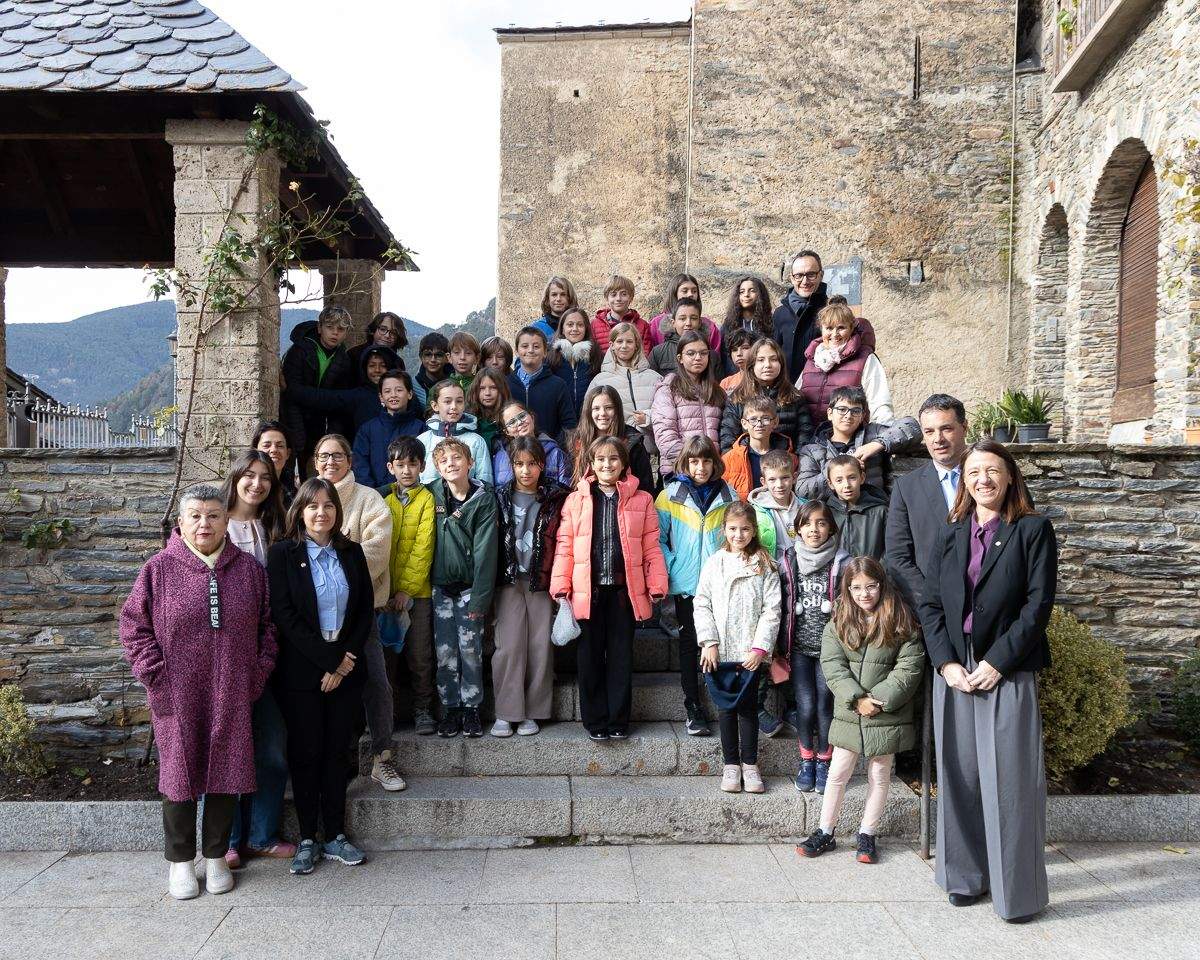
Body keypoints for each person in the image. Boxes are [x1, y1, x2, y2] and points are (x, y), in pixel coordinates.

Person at [917, 439, 1057, 923]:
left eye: (993, 470)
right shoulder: (951, 533)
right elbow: (931, 605)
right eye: (974, 471)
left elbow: (1037, 606)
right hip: (955, 669)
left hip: (1007, 668)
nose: (983, 479)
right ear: (965, 479)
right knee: (960, 777)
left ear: (1010, 477)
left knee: (1011, 783)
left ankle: (1015, 894)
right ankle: (964, 877)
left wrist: (997, 661)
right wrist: (945, 664)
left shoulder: (1033, 531)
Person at [119, 484, 276, 900]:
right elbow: (134, 627)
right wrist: (156, 675)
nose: (204, 523)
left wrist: (255, 676)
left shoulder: (249, 570)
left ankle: (215, 857)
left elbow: (267, 630)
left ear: (227, 520)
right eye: (196, 516)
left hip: (232, 690)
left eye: (213, 515)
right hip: (177, 694)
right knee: (179, 777)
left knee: (226, 773)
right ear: (181, 522)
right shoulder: (158, 569)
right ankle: (180, 862)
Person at [267, 478, 372, 876]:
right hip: (302, 671)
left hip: (345, 668)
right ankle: (308, 836)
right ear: (300, 511)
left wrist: (343, 664)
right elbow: (285, 617)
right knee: (306, 752)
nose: (321, 513)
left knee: (337, 752)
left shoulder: (353, 552)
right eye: (312, 506)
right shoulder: (282, 554)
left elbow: (364, 612)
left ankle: (337, 835)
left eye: (328, 506)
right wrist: (328, 662)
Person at [798, 557, 924, 864]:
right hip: (850, 711)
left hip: (886, 712)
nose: (864, 594)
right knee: (838, 773)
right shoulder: (838, 623)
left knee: (879, 774)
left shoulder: (900, 621)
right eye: (856, 588)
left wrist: (878, 700)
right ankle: (825, 831)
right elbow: (833, 666)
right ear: (848, 589)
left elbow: (909, 666)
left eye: (870, 586)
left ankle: (867, 834)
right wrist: (857, 699)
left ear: (881, 585)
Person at [552, 436, 667, 740]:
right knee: (588, 658)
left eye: (613, 459)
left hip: (622, 594)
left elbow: (651, 547)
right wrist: (561, 586)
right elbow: (565, 547)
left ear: (623, 463)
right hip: (587, 592)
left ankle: (618, 720)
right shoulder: (576, 500)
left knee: (620, 657)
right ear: (591, 463)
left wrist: (656, 583)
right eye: (600, 459)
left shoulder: (641, 499)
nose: (607, 464)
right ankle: (595, 720)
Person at [311, 434, 404, 793]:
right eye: (323, 456)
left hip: (361, 613)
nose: (330, 462)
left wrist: (326, 567)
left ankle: (383, 757)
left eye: (337, 455)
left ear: (350, 460)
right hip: (315, 617)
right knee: (321, 690)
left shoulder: (369, 499)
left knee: (377, 684)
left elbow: (377, 554)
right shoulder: (308, 496)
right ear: (315, 462)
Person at [219, 452, 293, 868]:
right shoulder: (215, 522)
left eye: (265, 477)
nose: (257, 484)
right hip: (225, 654)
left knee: (271, 747)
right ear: (236, 478)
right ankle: (228, 839)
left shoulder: (274, 525)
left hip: (268, 648)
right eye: (249, 475)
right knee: (228, 748)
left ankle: (262, 835)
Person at [694, 500, 781, 794]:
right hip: (720, 651)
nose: (738, 535)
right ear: (724, 529)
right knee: (726, 709)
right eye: (733, 529)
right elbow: (702, 602)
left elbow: (772, 609)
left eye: (745, 529)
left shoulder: (763, 564)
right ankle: (730, 763)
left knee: (748, 709)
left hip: (748, 653)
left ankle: (750, 763)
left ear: (754, 530)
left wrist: (760, 648)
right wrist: (709, 642)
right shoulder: (714, 562)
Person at [656, 436, 737, 738]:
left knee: (718, 641)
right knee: (690, 642)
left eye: (705, 460)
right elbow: (658, 538)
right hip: (688, 584)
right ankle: (693, 704)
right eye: (694, 461)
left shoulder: (729, 494)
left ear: (715, 462)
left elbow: (738, 535)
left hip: (720, 582)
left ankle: (721, 698)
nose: (700, 467)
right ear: (685, 463)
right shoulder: (670, 495)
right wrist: (672, 565)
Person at [493, 436, 570, 737]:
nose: (525, 471)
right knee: (509, 645)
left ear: (542, 465)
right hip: (509, 579)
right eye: (519, 464)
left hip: (541, 578)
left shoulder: (555, 497)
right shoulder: (498, 496)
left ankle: (534, 711)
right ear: (511, 465)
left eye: (532, 464)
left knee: (539, 645)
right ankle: (507, 710)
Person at [429, 437, 499, 739]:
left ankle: (471, 709)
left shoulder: (483, 499)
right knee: (444, 651)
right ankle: (451, 708)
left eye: (457, 458)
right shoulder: (431, 494)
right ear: (436, 467)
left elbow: (486, 552)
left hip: (470, 588)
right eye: (444, 461)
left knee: (470, 651)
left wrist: (480, 600)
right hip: (440, 588)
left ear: (470, 462)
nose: (451, 464)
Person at [778, 500, 849, 794]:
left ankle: (824, 760)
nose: (814, 529)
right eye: (807, 524)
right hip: (799, 648)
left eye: (821, 523)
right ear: (797, 530)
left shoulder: (842, 562)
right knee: (805, 706)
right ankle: (806, 760)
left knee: (824, 706)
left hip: (830, 652)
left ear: (831, 527)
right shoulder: (789, 560)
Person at [884, 394, 969, 608]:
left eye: (946, 429)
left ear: (964, 428)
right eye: (929, 432)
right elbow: (898, 557)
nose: (937, 439)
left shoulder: (989, 480)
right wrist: (931, 604)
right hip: (933, 612)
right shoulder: (907, 488)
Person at [381, 436, 438, 736]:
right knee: (387, 655)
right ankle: (385, 712)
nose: (406, 471)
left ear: (422, 467)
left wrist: (406, 589)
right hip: (386, 595)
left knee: (419, 655)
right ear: (390, 467)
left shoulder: (428, 499)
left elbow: (423, 547)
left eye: (412, 464)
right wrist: (387, 590)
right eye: (400, 465)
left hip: (418, 593)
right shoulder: (383, 501)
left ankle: (423, 708)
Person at [795, 386, 920, 500]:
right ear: (830, 413)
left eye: (855, 411)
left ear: (862, 416)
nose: (848, 416)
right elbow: (803, 490)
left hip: (874, 512)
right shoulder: (812, 450)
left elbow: (912, 427)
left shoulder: (873, 433)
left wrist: (877, 444)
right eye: (842, 409)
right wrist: (837, 467)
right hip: (832, 516)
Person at [280, 305, 355, 476]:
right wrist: (324, 400)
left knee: (313, 469)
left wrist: (331, 435)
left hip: (319, 422)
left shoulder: (343, 360)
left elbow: (339, 401)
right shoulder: (299, 350)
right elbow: (291, 391)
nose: (335, 333)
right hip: (291, 414)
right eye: (330, 327)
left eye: (341, 329)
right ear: (320, 328)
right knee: (289, 462)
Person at [282, 342, 404, 444]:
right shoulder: (358, 396)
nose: (377, 370)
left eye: (383, 365)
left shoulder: (405, 395)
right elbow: (323, 398)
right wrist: (291, 390)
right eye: (372, 365)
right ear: (364, 369)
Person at [797, 296, 891, 428]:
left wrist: (881, 439)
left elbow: (880, 403)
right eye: (829, 328)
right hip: (811, 439)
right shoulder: (812, 359)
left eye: (841, 328)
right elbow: (796, 400)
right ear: (821, 329)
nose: (835, 334)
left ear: (851, 328)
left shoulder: (865, 358)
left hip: (851, 441)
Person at [650, 330, 725, 476]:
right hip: (679, 471)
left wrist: (712, 465)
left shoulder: (717, 391)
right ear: (680, 358)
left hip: (711, 472)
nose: (698, 358)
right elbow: (665, 435)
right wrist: (692, 466)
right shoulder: (668, 388)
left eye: (703, 353)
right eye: (691, 353)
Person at [720, 337, 813, 453]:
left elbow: (805, 439)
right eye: (761, 360)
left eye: (773, 359)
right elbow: (727, 440)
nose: (767, 365)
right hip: (747, 464)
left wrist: (796, 467)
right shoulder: (738, 398)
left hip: (786, 465)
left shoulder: (795, 397)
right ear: (752, 365)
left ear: (781, 364)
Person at [570, 385, 656, 498]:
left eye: (608, 408)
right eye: (596, 408)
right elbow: (571, 486)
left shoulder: (632, 441)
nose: (602, 413)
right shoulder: (578, 442)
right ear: (588, 412)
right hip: (587, 508)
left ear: (617, 410)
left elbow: (645, 487)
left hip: (626, 508)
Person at [589, 321, 663, 448]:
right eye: (619, 341)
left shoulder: (654, 378)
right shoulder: (600, 380)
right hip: (615, 450)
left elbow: (666, 412)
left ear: (636, 345)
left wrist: (648, 419)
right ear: (611, 345)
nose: (624, 346)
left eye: (629, 342)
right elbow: (589, 416)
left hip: (652, 449)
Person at [351, 369, 424, 489]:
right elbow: (360, 465)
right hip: (374, 496)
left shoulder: (420, 428)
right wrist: (373, 493)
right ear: (381, 397)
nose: (393, 395)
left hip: (411, 495)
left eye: (399, 390)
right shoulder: (367, 429)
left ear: (410, 394)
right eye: (387, 391)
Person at [508, 325, 578, 441]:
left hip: (549, 451)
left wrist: (555, 448)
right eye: (525, 346)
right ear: (517, 351)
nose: (530, 350)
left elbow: (569, 425)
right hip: (514, 452)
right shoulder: (506, 384)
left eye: (536, 346)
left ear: (545, 352)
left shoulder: (558, 385)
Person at [416, 380, 493, 485]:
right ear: (435, 406)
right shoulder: (422, 441)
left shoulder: (476, 441)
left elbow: (485, 483)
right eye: (447, 401)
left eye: (459, 401)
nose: (454, 406)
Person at [721, 396, 795, 500]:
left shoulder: (789, 457)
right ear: (744, 423)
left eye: (765, 419)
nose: (759, 424)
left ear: (775, 422)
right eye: (753, 419)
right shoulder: (729, 460)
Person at [772, 250, 829, 380]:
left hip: (820, 391)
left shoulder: (831, 311)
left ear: (821, 275)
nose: (804, 281)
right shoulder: (780, 314)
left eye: (811, 274)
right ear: (792, 278)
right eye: (799, 275)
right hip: (786, 393)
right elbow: (773, 354)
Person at [823, 455, 889, 561]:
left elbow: (891, 550)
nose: (847, 485)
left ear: (862, 478)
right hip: (836, 576)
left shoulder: (881, 512)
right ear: (830, 484)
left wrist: (875, 573)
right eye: (839, 480)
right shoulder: (826, 513)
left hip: (872, 575)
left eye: (852, 477)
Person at [492, 401, 572, 487]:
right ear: (507, 432)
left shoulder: (555, 453)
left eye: (522, 416)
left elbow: (565, 489)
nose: (519, 422)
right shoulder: (500, 457)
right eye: (512, 422)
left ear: (532, 417)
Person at [748, 449, 804, 558]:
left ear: (794, 478)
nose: (779, 485)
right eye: (772, 479)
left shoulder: (805, 508)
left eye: (785, 478)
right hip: (772, 569)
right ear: (763, 482)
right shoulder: (755, 512)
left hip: (801, 569)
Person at [549, 305, 601, 416]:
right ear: (562, 328)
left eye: (580, 325)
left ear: (586, 328)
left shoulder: (595, 354)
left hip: (587, 418)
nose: (575, 329)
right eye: (570, 324)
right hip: (559, 418)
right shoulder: (551, 354)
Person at [648, 274, 721, 351]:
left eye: (694, 291)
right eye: (685, 291)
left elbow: (715, 357)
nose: (690, 294)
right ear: (674, 294)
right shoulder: (656, 323)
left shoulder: (709, 326)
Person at [720, 276, 773, 375]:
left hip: (762, 376)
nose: (746, 295)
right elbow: (724, 354)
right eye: (742, 292)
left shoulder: (770, 322)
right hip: (735, 377)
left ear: (760, 294)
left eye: (752, 291)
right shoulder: (729, 323)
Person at [592, 274, 651, 353]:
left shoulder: (642, 325)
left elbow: (645, 355)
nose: (618, 299)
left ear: (631, 298)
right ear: (607, 298)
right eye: (613, 294)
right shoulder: (595, 324)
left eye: (624, 294)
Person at [648, 297, 702, 376]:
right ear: (673, 323)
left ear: (700, 322)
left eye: (693, 318)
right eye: (682, 318)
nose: (688, 323)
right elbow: (652, 384)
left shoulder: (709, 354)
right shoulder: (658, 353)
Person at [467, 367, 512, 453]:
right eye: (482, 388)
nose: (487, 393)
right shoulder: (468, 421)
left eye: (493, 388)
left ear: (502, 390)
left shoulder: (511, 419)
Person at [252, 420, 296, 505]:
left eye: (280, 446)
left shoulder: (292, 490)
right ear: (255, 450)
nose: (274, 450)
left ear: (288, 453)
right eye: (266, 445)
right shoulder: (246, 485)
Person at [413, 332, 451, 413]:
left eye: (438, 355)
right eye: (428, 354)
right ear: (421, 357)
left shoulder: (455, 382)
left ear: (447, 358)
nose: (433, 360)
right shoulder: (413, 386)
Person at [534, 275, 579, 340]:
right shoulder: (537, 329)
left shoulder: (579, 328)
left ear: (569, 298)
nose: (558, 299)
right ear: (547, 299)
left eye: (563, 294)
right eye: (554, 295)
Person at [719, 328, 756, 392]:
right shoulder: (726, 383)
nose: (739, 354)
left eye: (745, 348)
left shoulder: (763, 379)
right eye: (734, 350)